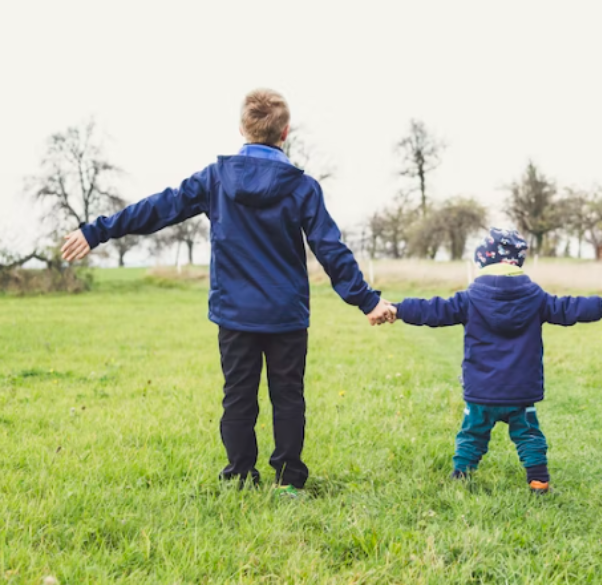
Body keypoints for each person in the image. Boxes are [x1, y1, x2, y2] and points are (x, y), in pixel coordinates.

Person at [60, 89, 394, 498]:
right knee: (288, 396)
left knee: (238, 398)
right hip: (286, 314)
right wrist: (367, 300)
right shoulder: (303, 187)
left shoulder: (216, 179)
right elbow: (330, 249)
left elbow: (158, 208)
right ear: (285, 132)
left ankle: (238, 477)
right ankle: (289, 482)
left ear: (241, 128)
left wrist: (96, 231)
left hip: (235, 314)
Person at [385, 228, 602, 493]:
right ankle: (539, 481)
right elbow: (567, 308)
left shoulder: (470, 298)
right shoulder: (536, 297)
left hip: (481, 391)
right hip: (520, 391)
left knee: (472, 434)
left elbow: (433, 309)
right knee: (529, 435)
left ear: (483, 261)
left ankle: (460, 476)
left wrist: (399, 308)